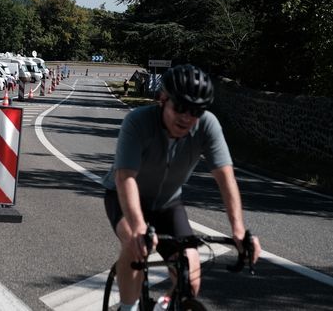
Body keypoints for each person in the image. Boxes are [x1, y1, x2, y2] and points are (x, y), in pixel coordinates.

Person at [102, 64, 261, 311]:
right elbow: (125, 178)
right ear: (163, 100)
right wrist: (139, 226)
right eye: (180, 107)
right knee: (135, 245)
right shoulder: (138, 122)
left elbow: (226, 178)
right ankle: (127, 307)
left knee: (190, 277)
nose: (187, 117)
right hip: (125, 197)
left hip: (167, 203)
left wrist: (239, 230)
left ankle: (163, 305)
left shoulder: (207, 125)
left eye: (196, 111)